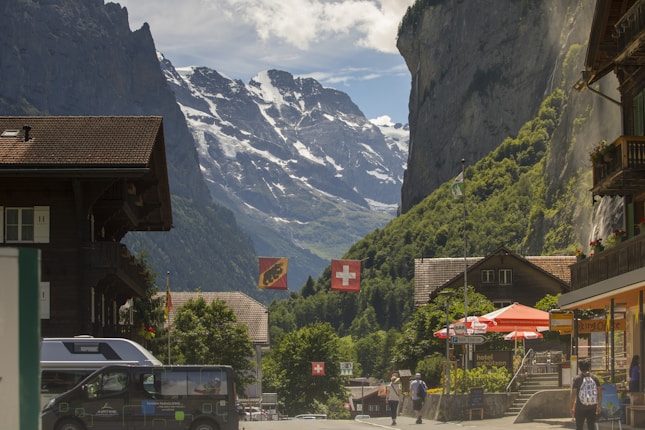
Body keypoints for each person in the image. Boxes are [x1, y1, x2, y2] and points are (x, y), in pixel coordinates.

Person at [570, 360, 602, 430]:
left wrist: (572, 407)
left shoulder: (577, 379)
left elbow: (573, 395)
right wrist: (599, 406)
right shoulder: (595, 378)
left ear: (580, 368)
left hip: (580, 407)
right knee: (591, 426)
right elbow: (599, 393)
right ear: (589, 367)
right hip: (592, 406)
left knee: (579, 426)